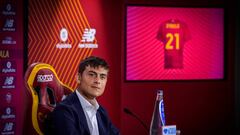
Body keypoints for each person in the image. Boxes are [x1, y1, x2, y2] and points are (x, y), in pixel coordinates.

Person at [45, 56, 120, 135]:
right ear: (78, 78)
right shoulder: (64, 110)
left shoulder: (101, 111)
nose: (98, 81)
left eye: (102, 77)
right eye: (92, 75)